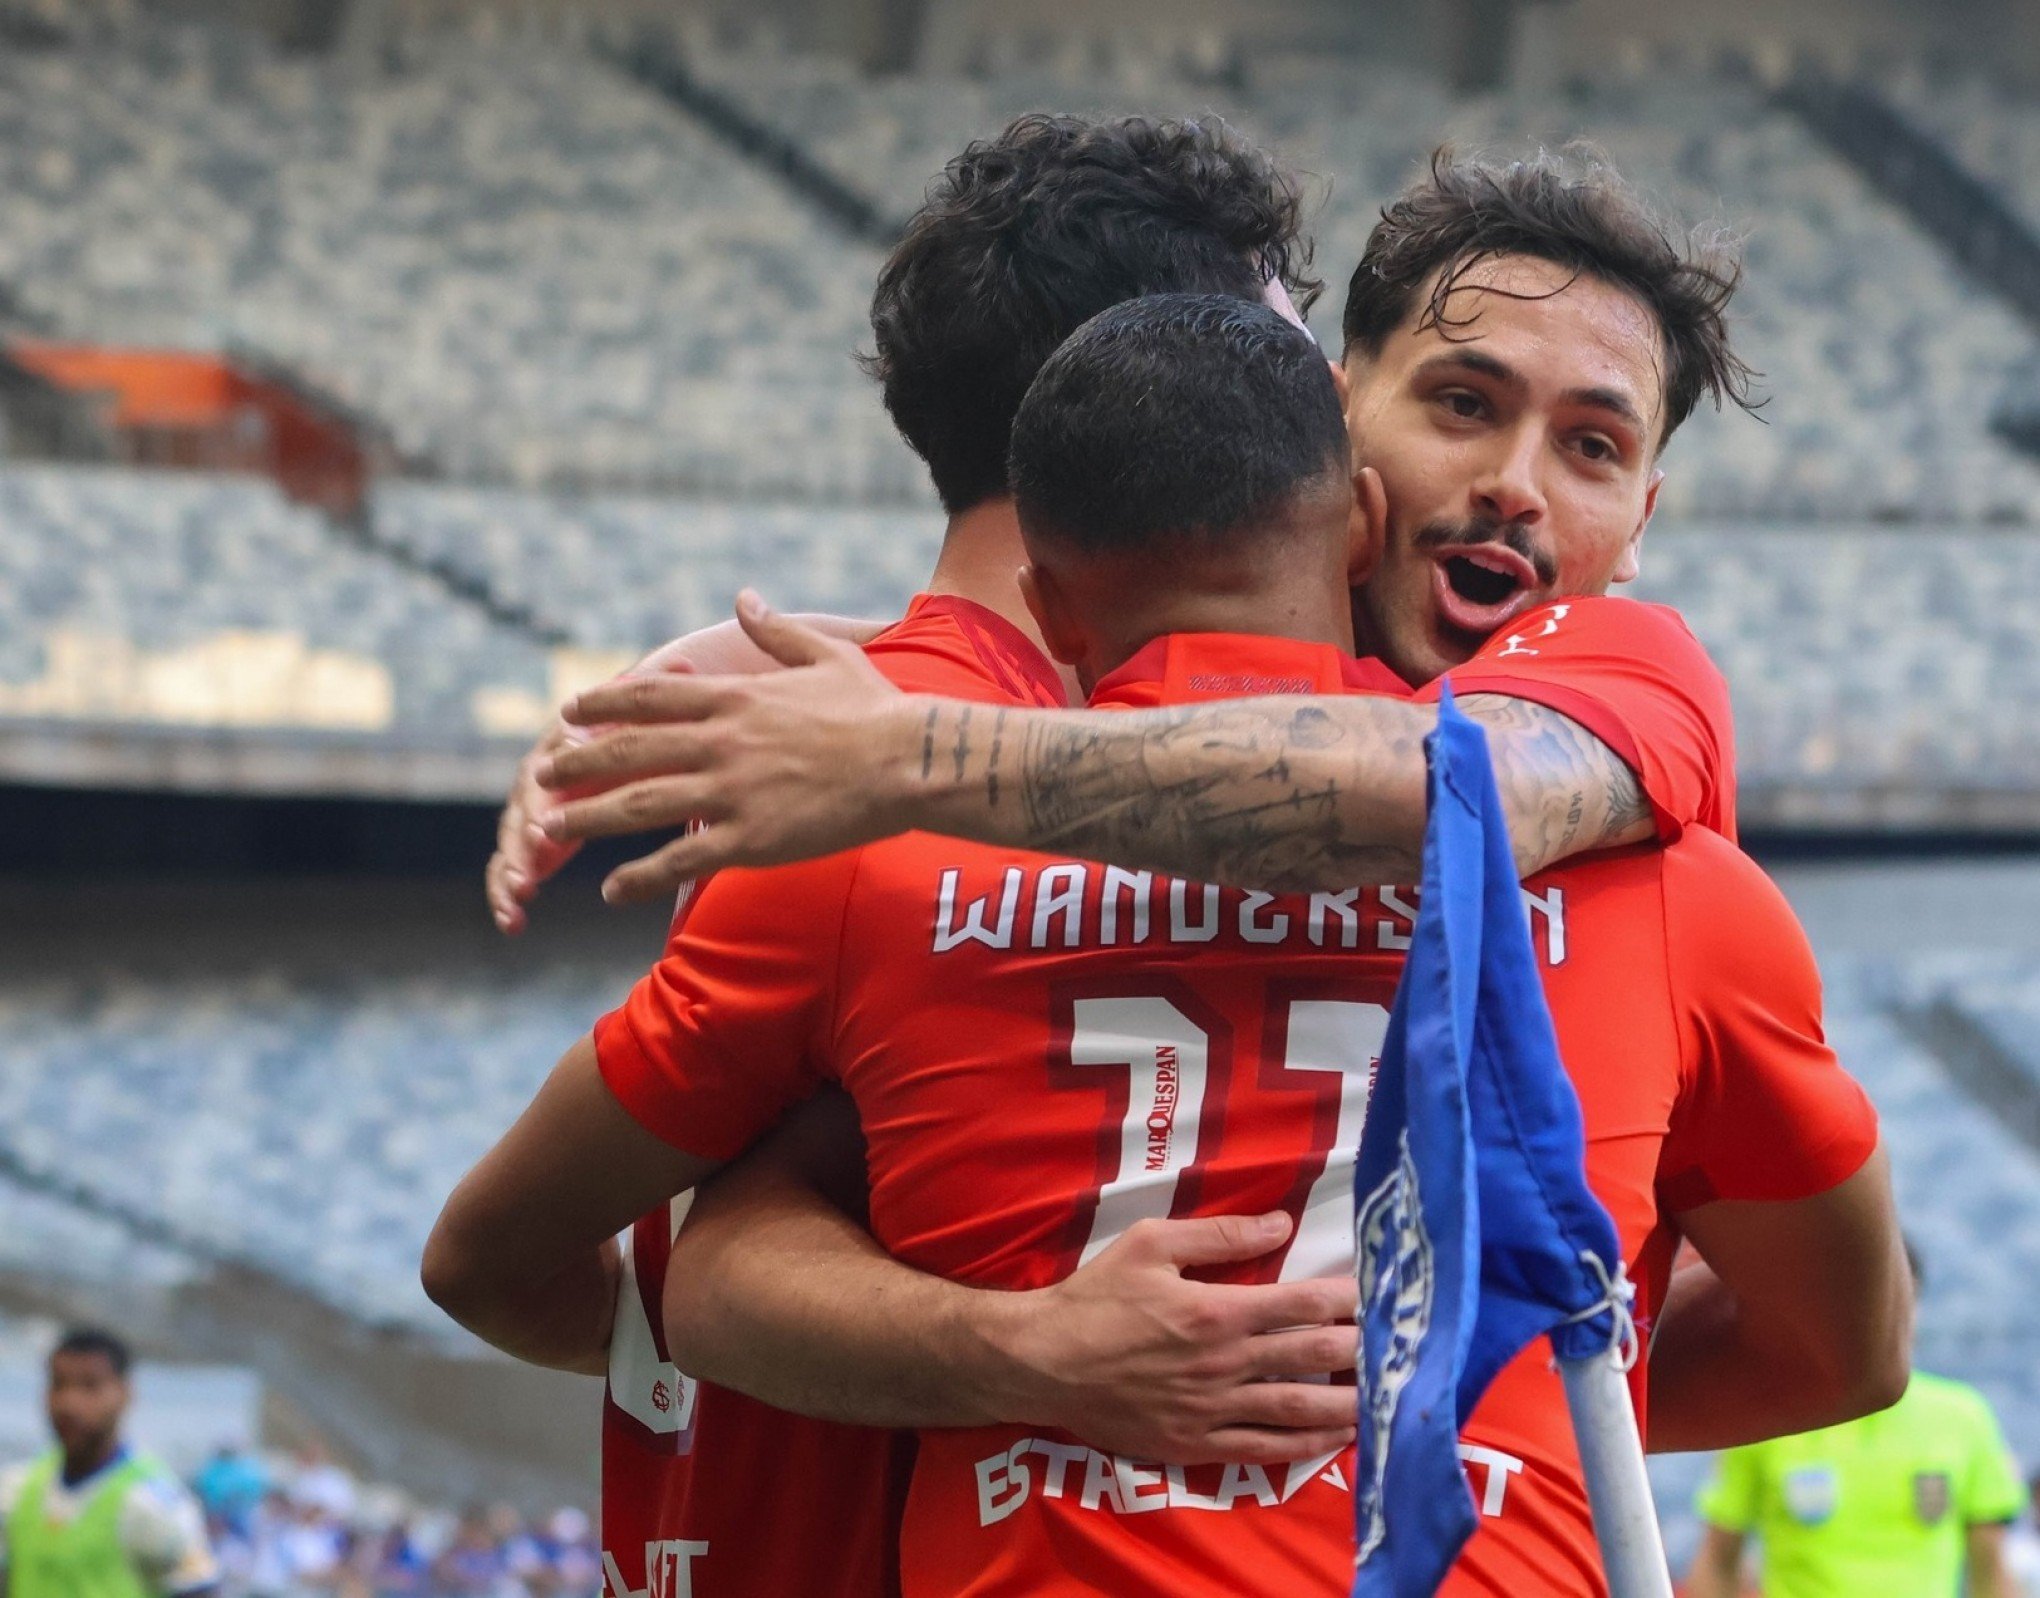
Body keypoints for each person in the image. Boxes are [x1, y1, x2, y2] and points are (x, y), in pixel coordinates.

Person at [447, 293, 1898, 1594]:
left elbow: (637, 1277)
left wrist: (1012, 1358)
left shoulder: (869, 849)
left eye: (1588, 445)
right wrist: (1486, 1382)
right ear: (1355, 486)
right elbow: (1845, 1344)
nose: (1509, 486)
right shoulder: (1674, 891)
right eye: (1463, 404)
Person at [432, 113, 1383, 1598]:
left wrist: (678, 1333)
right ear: (1141, 392)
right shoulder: (893, 795)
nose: (1334, 395)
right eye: (1280, 339)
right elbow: (485, 1253)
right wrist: (870, 1350)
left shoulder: (893, 736)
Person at [1687, 1246, 2023, 1598]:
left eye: (1890, 1300)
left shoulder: (1963, 1417)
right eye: (1851, 1301)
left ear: (1914, 1303)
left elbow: (1991, 1571)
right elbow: (1717, 1559)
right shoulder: (1774, 1419)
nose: (1872, 1317)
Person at [0, 1328, 218, 1598]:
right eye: (59, 1384)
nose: (69, 1402)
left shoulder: (152, 1504)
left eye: (89, 1386)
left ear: (124, 1394)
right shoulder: (15, 1490)